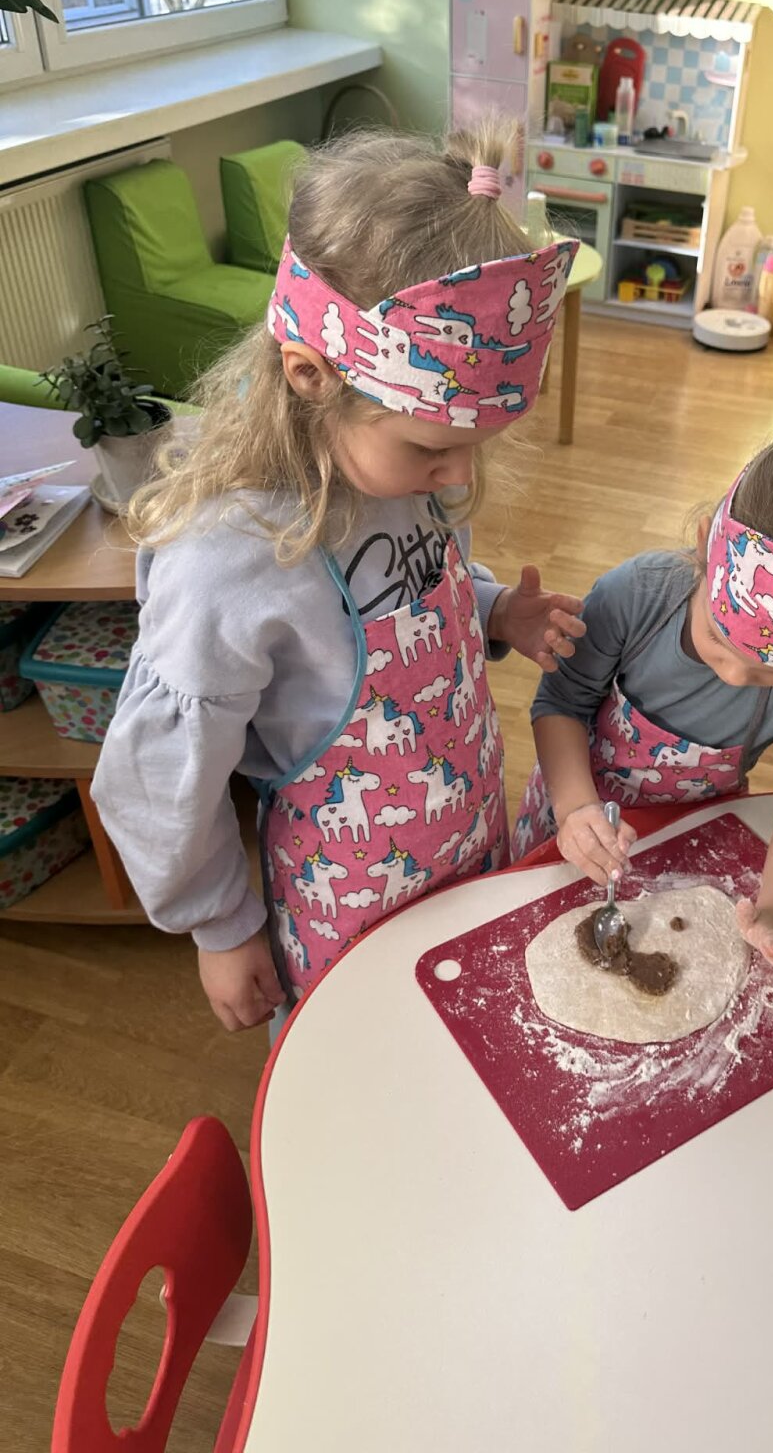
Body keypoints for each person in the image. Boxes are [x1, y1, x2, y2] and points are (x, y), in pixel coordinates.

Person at [93, 125, 583, 1031]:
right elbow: (157, 777)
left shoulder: (399, 470)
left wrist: (489, 610)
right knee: (366, 1060)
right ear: (311, 376)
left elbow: (412, 586)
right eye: (435, 451)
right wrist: (220, 925)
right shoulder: (226, 561)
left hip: (468, 840)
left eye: (477, 448)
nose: (460, 476)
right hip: (348, 900)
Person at [517, 425, 773, 994]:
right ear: (707, 547)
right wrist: (575, 809)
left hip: (691, 833)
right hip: (572, 803)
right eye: (718, 641)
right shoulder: (639, 595)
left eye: (772, 672)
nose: (734, 676)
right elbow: (562, 700)